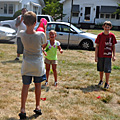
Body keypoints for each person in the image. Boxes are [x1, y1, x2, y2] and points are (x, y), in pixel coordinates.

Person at [18, 11, 47, 119]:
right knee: (38, 85)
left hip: (26, 64)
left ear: (24, 22)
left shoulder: (21, 33)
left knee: (25, 86)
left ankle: (22, 109)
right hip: (37, 64)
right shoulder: (41, 34)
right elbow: (44, 44)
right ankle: (37, 106)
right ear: (35, 22)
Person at [95, 21, 117, 89]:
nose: (107, 28)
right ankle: (101, 80)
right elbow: (97, 46)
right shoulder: (100, 36)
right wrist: (96, 56)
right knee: (101, 69)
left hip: (108, 55)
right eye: (105, 27)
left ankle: (107, 83)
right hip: (100, 55)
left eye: (108, 27)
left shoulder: (112, 36)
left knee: (107, 70)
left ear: (110, 27)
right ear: (103, 27)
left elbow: (113, 46)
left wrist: (114, 55)